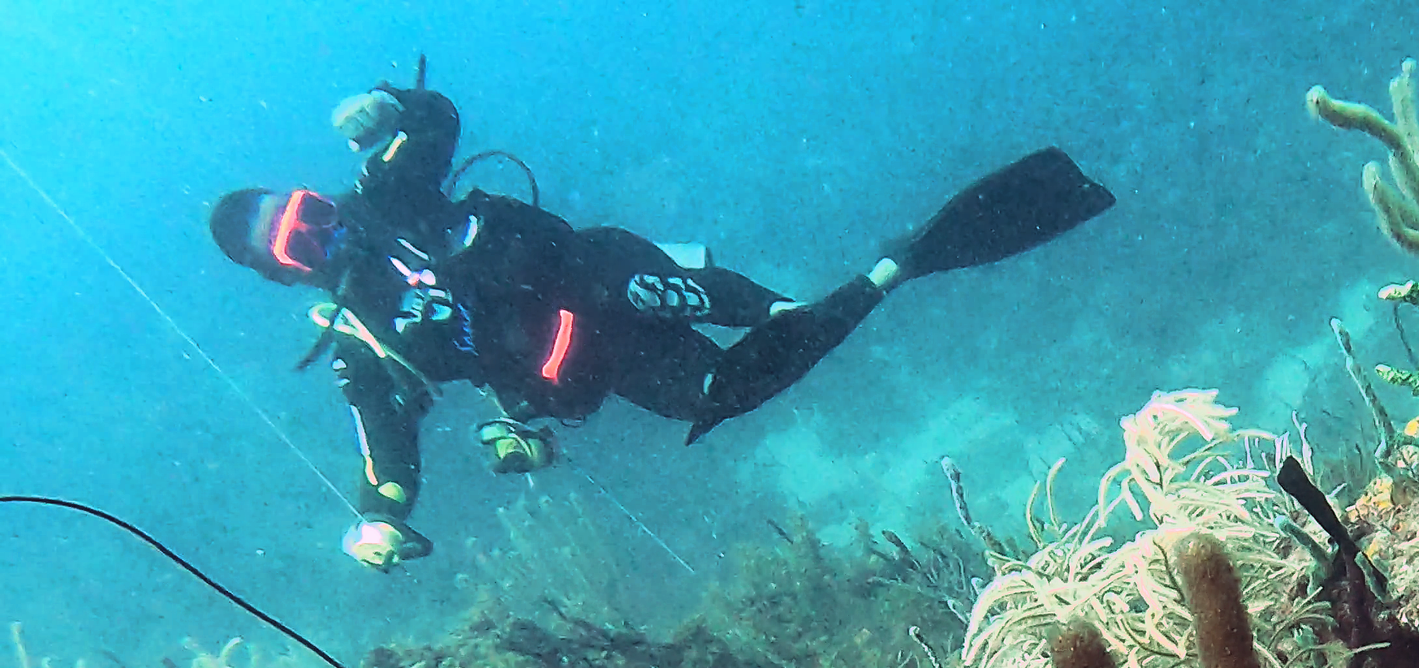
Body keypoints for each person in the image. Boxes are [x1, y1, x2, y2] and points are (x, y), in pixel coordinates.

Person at [212, 72, 1114, 569]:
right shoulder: (362, 346)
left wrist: (391, 108)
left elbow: (438, 119)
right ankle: (893, 267)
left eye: (306, 207)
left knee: (756, 311)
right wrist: (380, 520)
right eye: (297, 241)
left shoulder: (386, 189)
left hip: (602, 275)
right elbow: (387, 453)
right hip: (588, 367)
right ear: (281, 272)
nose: (321, 229)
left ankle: (834, 290)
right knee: (720, 392)